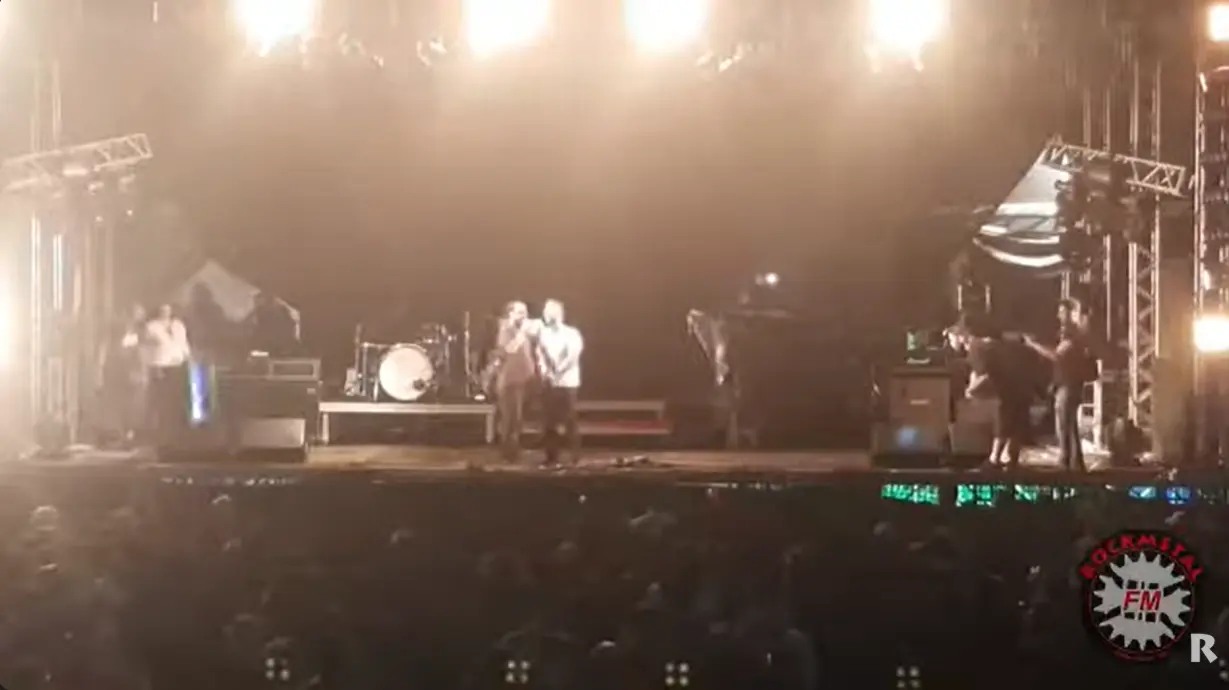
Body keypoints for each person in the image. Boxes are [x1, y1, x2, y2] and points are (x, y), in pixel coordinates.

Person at [1023, 299, 1096, 472]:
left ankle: (1066, 461)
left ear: (1071, 314)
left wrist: (1033, 345)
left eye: (1062, 312)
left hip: (1069, 385)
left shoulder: (1072, 335)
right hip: (1068, 384)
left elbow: (1057, 356)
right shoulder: (1074, 334)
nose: (1059, 316)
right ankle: (1075, 462)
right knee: (1069, 425)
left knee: (1064, 425)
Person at [961, 321, 1032, 469]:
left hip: (1006, 392)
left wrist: (970, 390)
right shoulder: (1009, 346)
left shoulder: (979, 348)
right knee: (1015, 427)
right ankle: (1011, 461)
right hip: (1023, 388)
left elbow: (985, 376)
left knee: (1003, 426)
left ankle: (995, 460)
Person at [536, 299, 583, 467]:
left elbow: (573, 355)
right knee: (549, 422)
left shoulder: (572, 333)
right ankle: (551, 456)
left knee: (570, 420)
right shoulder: (544, 334)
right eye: (546, 312)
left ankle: (574, 456)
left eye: (550, 312)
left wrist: (559, 371)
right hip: (550, 384)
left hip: (568, 383)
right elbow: (540, 355)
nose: (547, 315)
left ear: (559, 314)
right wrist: (545, 372)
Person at [491, 301, 539, 463]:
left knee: (518, 418)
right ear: (510, 313)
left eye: (525, 311)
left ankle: (513, 449)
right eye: (519, 312)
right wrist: (523, 333)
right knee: (511, 417)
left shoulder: (523, 330)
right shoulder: (506, 329)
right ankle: (508, 452)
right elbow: (509, 350)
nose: (524, 315)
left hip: (524, 379)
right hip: (510, 380)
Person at [97, 304, 149, 447]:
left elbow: (141, 355)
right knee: (119, 403)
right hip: (118, 373)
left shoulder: (141, 334)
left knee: (133, 405)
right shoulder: (115, 333)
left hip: (133, 373)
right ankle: (118, 434)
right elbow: (106, 350)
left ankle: (129, 433)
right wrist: (101, 371)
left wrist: (141, 373)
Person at [143, 303, 191, 443]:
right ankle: (158, 434)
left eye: (168, 309)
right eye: (163, 309)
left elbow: (184, 344)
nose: (165, 311)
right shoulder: (152, 327)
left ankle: (174, 433)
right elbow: (147, 348)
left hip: (177, 366)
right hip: (160, 366)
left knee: (175, 400)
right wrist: (152, 365)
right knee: (160, 401)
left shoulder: (178, 325)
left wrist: (189, 358)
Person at [246, 292, 299, 356]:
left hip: (278, 342)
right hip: (270, 344)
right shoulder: (259, 311)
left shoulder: (281, 309)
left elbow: (293, 320)